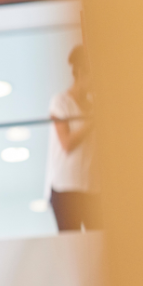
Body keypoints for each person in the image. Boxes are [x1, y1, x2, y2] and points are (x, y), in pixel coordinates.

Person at [45, 45, 100, 231]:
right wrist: (92, 121)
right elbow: (66, 143)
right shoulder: (60, 102)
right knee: (72, 244)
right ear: (80, 73)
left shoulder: (94, 106)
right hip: (66, 189)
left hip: (92, 187)